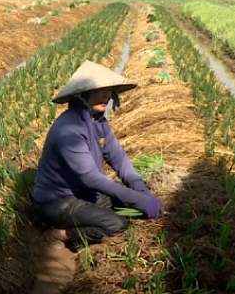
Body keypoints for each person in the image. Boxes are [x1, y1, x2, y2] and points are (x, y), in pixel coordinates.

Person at [32, 60, 165, 251]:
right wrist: (140, 201)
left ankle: (83, 221)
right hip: (57, 201)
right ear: (83, 93)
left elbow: (118, 159)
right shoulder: (69, 130)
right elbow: (91, 178)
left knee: (128, 200)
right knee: (117, 225)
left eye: (109, 90)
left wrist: (140, 190)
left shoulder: (98, 121)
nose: (106, 95)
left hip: (84, 194)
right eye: (99, 90)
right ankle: (60, 234)